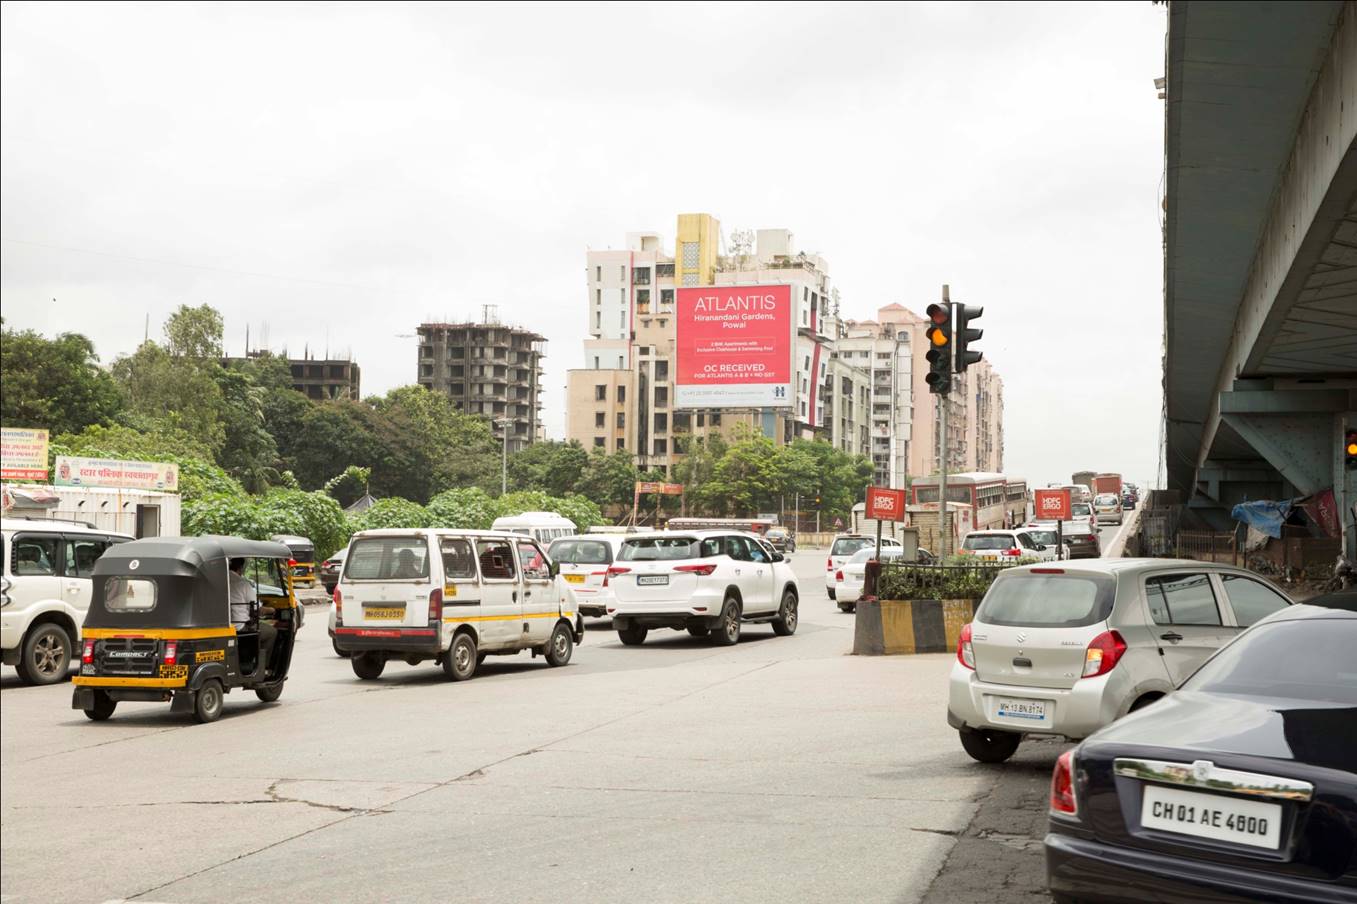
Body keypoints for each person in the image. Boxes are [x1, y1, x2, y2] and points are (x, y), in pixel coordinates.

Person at [228, 558, 276, 669]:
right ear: (241, 568)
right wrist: (273, 610)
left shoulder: (220, 582)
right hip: (240, 627)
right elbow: (258, 610)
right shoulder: (243, 584)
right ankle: (263, 668)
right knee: (272, 632)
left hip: (225, 626)